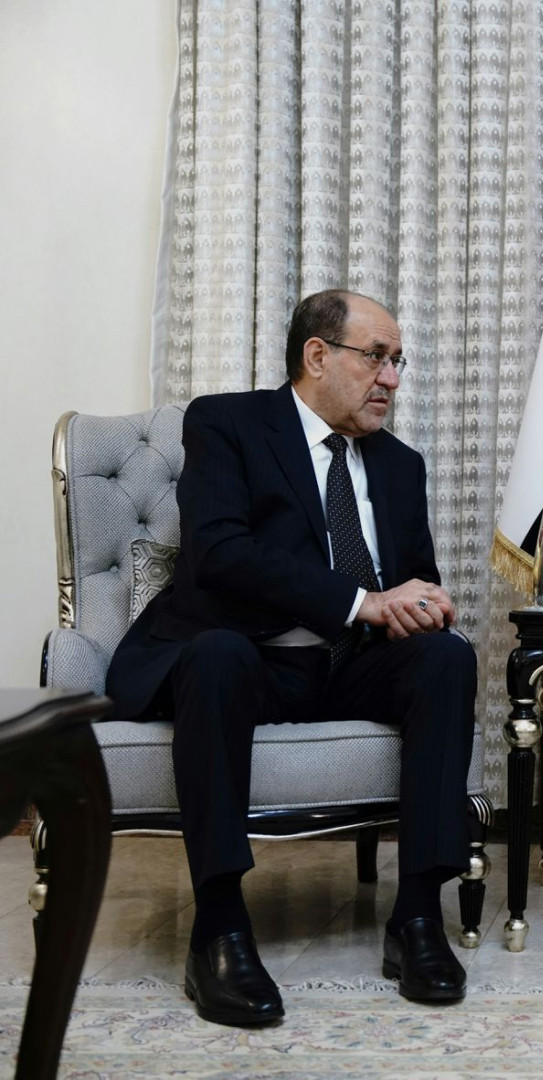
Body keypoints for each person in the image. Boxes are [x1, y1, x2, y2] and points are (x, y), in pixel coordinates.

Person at [107, 290, 477, 1026]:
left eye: (398, 362)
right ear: (318, 356)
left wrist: (422, 604)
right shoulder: (227, 425)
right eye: (377, 357)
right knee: (215, 657)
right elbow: (220, 553)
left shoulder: (399, 464)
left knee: (446, 658)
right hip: (247, 658)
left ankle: (416, 918)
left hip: (345, 667)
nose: (391, 378)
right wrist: (361, 601)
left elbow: (410, 577)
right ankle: (218, 929)